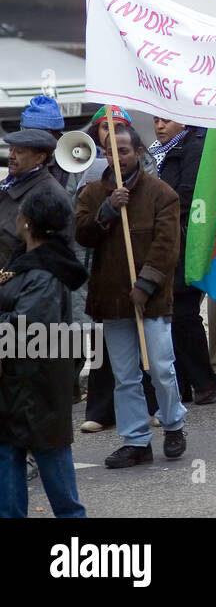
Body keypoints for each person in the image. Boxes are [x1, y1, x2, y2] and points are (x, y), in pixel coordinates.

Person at [74, 124, 187, 469]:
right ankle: (136, 439)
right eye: (110, 151)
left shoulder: (161, 193)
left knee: (161, 368)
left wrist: (146, 285)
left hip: (150, 300)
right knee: (125, 375)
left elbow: (167, 247)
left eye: (123, 151)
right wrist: (107, 210)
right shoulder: (93, 192)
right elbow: (82, 235)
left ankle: (173, 425)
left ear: (138, 153)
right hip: (113, 299)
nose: (116, 158)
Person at [0, 188, 87, 517]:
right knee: (8, 468)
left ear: (27, 223)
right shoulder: (25, 263)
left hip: (39, 389)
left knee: (58, 481)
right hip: (15, 386)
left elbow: (25, 329)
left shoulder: (45, 273)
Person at [149, 118, 216, 406]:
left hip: (186, 239)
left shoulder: (195, 148)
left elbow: (187, 196)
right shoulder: (155, 152)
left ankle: (204, 381)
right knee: (173, 313)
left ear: (183, 123)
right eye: (155, 121)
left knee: (185, 312)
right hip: (165, 240)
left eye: (166, 121)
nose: (159, 127)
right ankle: (184, 383)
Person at [0, 128, 70, 269]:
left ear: (39, 158)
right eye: (11, 150)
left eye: (19, 152)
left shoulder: (51, 196)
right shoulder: (7, 186)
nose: (11, 156)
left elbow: (55, 257)